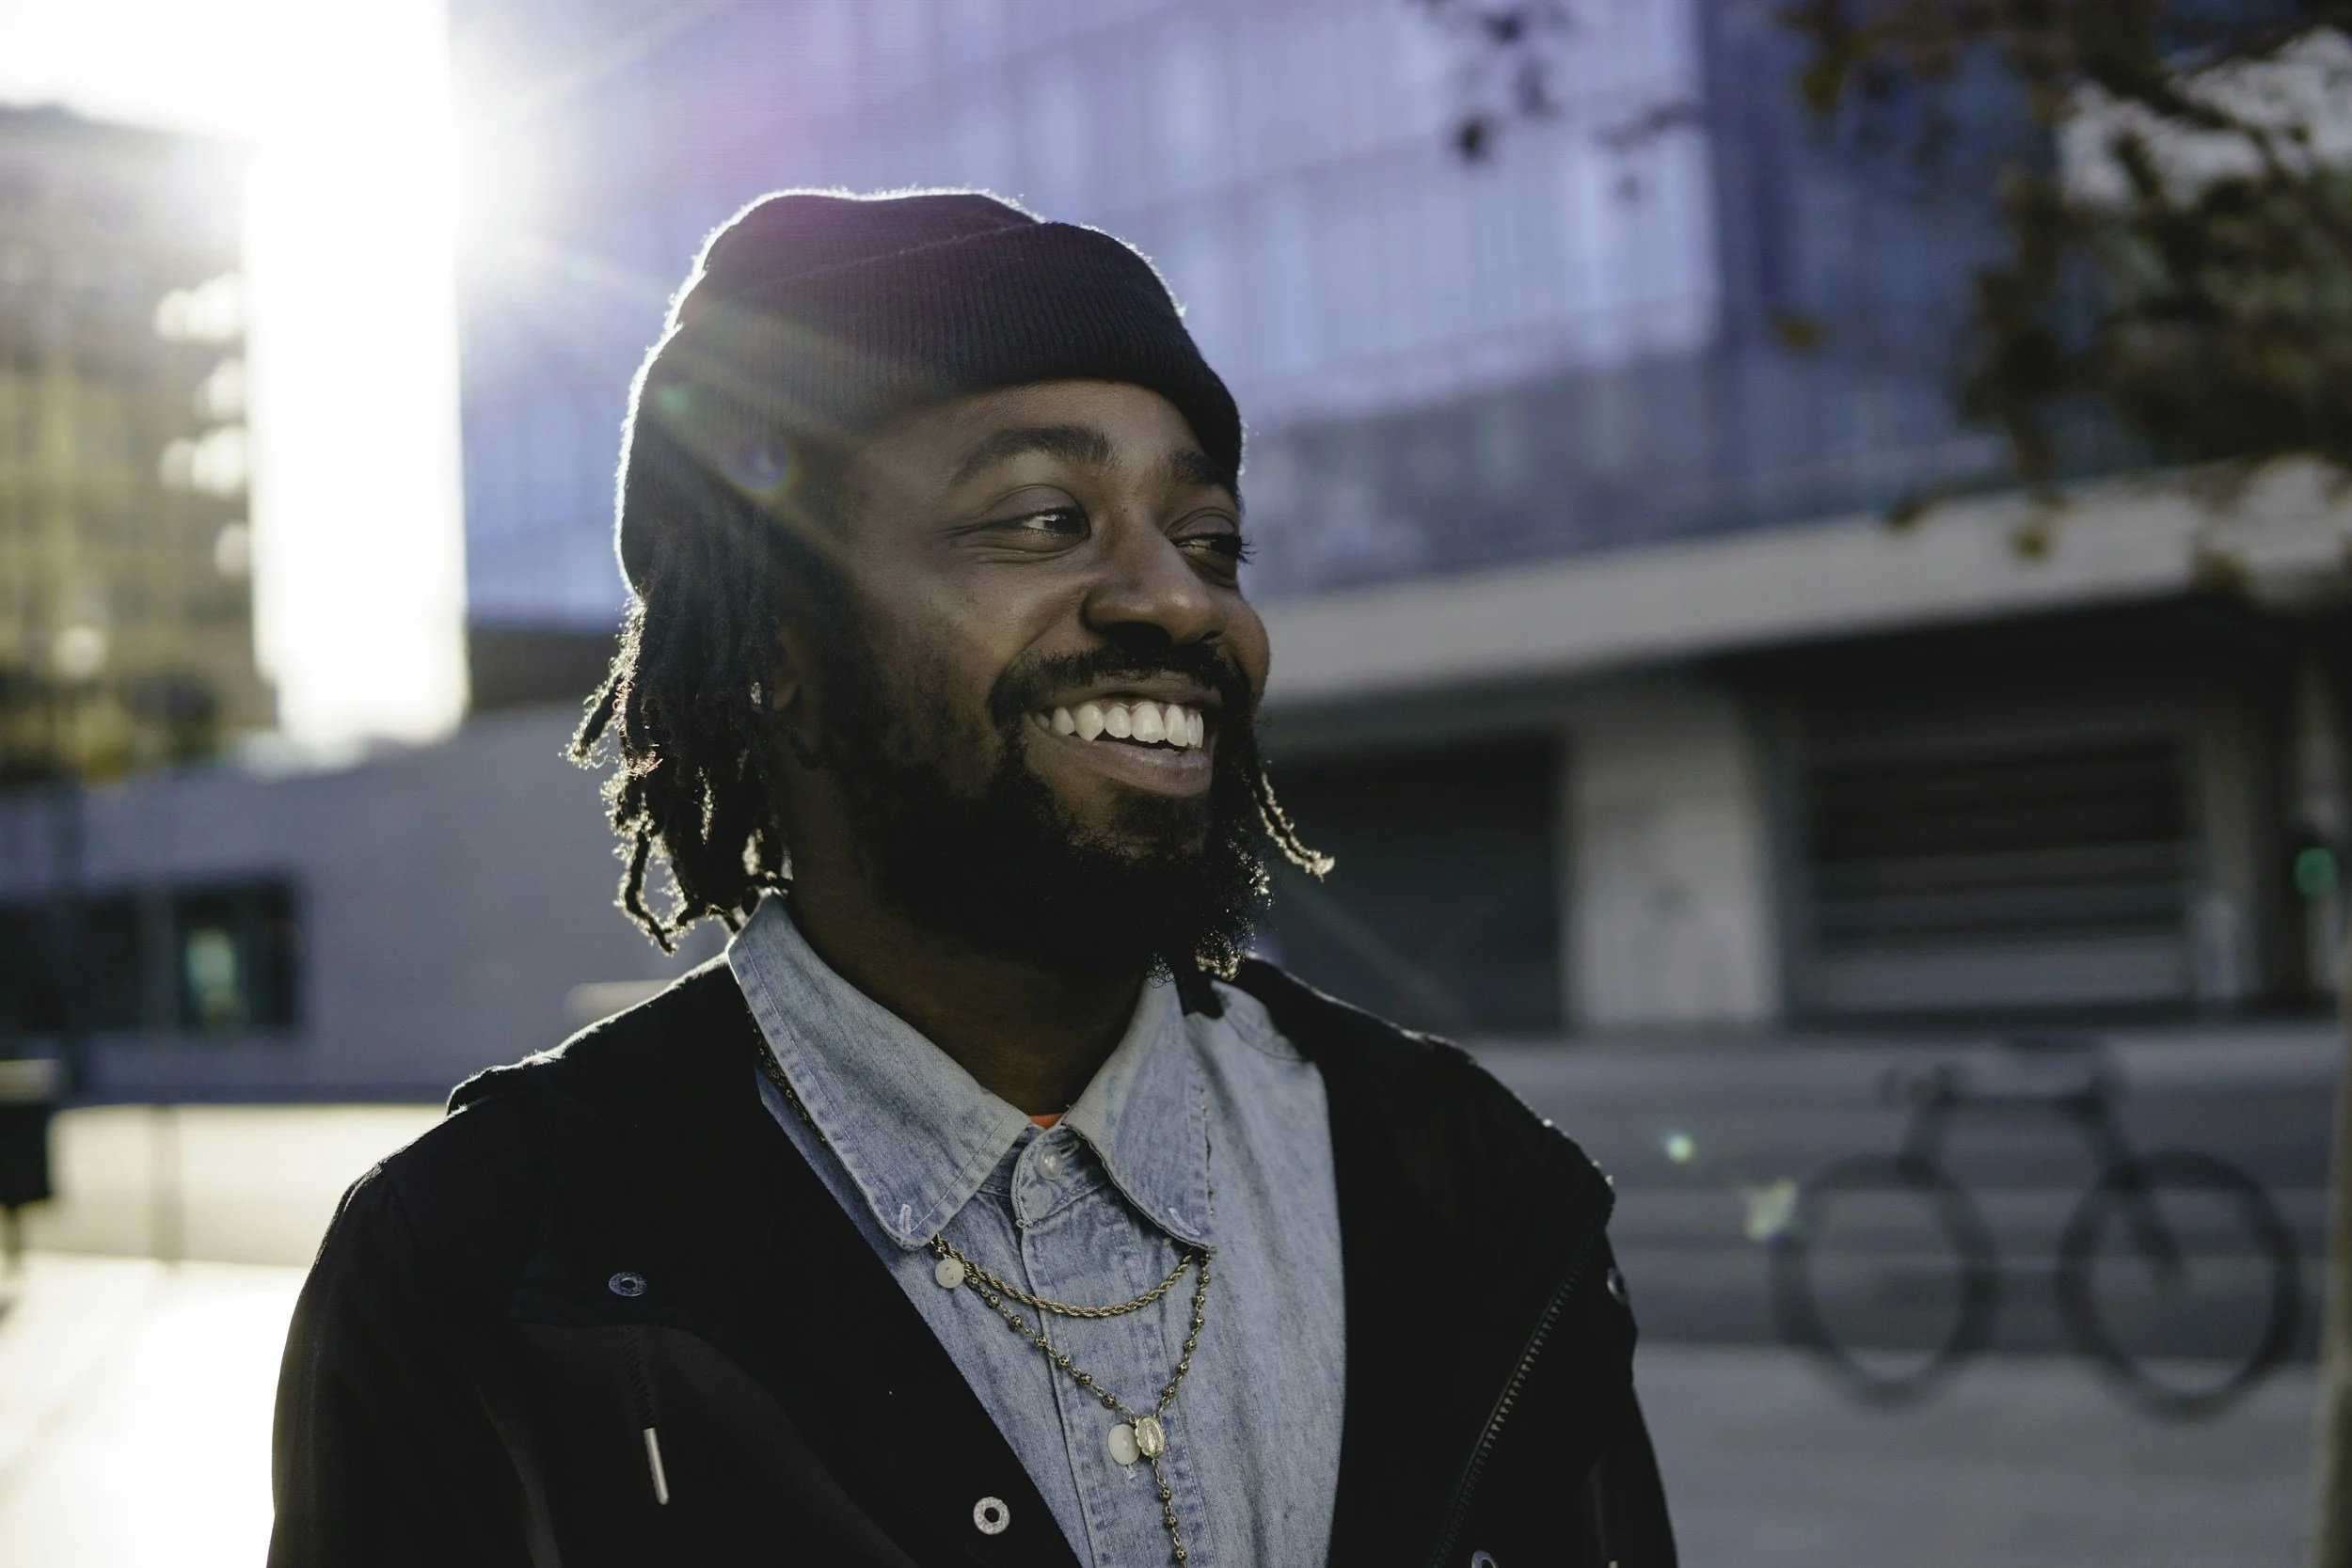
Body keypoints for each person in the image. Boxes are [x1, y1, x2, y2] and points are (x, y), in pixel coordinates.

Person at [268, 190, 1674, 1568]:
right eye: (1043, 517)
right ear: (774, 648)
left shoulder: (1470, 1183)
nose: (1177, 598)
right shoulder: (485, 1268)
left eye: (1210, 540)